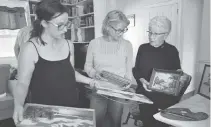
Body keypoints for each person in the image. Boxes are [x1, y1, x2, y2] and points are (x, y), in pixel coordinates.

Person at [13, 0, 98, 124]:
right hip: (44, 112)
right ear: (44, 23)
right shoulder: (30, 48)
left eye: (67, 23)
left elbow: (70, 73)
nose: (65, 30)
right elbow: (22, 83)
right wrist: (18, 105)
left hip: (70, 107)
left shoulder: (69, 45)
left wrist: (90, 81)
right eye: (60, 25)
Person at [133, 16, 189, 127]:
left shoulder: (172, 50)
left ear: (166, 35)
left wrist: (180, 76)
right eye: (150, 32)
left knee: (161, 123)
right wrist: (142, 80)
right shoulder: (142, 48)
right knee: (148, 123)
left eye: (156, 34)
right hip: (144, 95)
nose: (151, 37)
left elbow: (176, 72)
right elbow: (136, 69)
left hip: (164, 97)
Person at [84, 10, 133, 127]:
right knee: (96, 123)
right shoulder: (94, 43)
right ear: (107, 26)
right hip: (98, 90)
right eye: (118, 30)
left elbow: (128, 70)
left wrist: (128, 82)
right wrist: (93, 73)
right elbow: (87, 66)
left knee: (115, 123)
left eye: (124, 29)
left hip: (118, 92)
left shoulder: (127, 45)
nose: (121, 33)